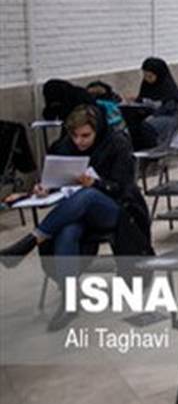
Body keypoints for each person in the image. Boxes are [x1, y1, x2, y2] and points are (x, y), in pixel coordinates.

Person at [1, 105, 153, 330]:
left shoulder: (116, 144)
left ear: (97, 130)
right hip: (77, 210)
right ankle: (69, 301)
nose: (79, 141)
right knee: (67, 231)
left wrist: (96, 183)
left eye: (85, 136)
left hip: (117, 208)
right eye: (75, 136)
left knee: (88, 195)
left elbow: (123, 187)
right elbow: (57, 181)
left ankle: (32, 239)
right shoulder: (65, 147)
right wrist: (45, 188)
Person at [135, 57, 178, 146]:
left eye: (150, 76)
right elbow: (142, 99)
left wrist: (153, 115)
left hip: (168, 116)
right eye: (145, 76)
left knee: (148, 125)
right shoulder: (146, 84)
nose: (147, 79)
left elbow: (168, 107)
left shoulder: (168, 88)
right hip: (150, 115)